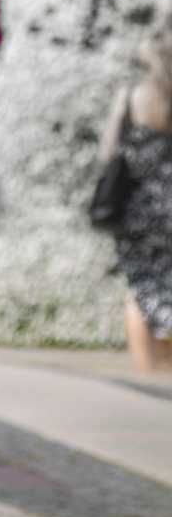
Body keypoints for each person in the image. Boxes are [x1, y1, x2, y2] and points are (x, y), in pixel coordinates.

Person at [98, 33, 172, 373]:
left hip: (138, 211)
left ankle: (146, 375)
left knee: (140, 289)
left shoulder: (131, 96)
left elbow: (108, 151)